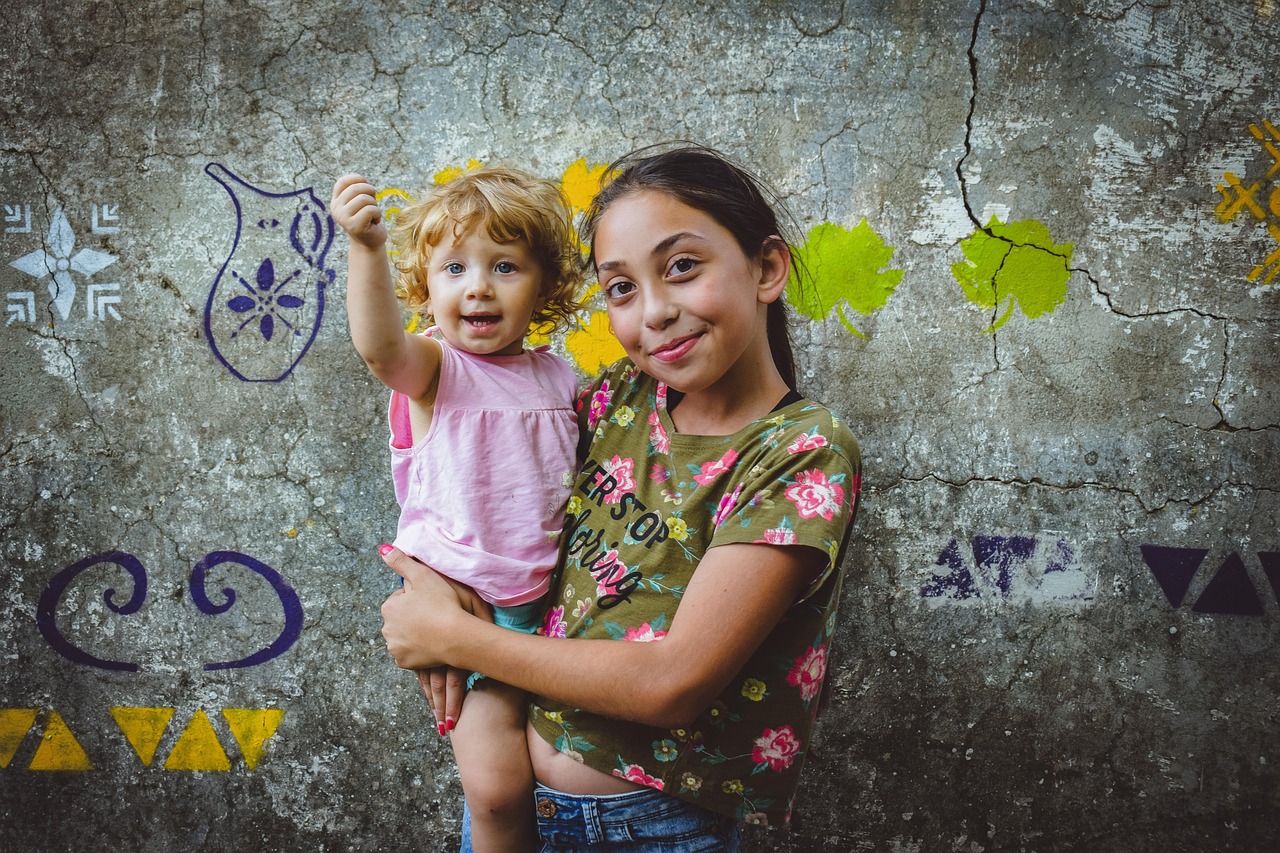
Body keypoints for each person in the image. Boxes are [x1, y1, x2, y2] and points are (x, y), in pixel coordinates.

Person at [379, 145, 862, 851]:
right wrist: (430, 578)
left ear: (766, 268)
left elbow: (672, 683)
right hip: (520, 805)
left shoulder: (798, 452)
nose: (656, 311)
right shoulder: (615, 401)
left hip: (655, 828)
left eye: (682, 267)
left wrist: (456, 637)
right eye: (621, 288)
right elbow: (490, 488)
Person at [331, 166, 583, 853]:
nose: (478, 285)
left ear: (544, 287)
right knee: (497, 787)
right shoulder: (437, 371)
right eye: (454, 268)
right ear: (425, 290)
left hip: (556, 611)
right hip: (471, 609)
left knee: (553, 770)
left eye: (505, 266)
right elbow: (380, 348)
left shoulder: (561, 378)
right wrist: (365, 248)